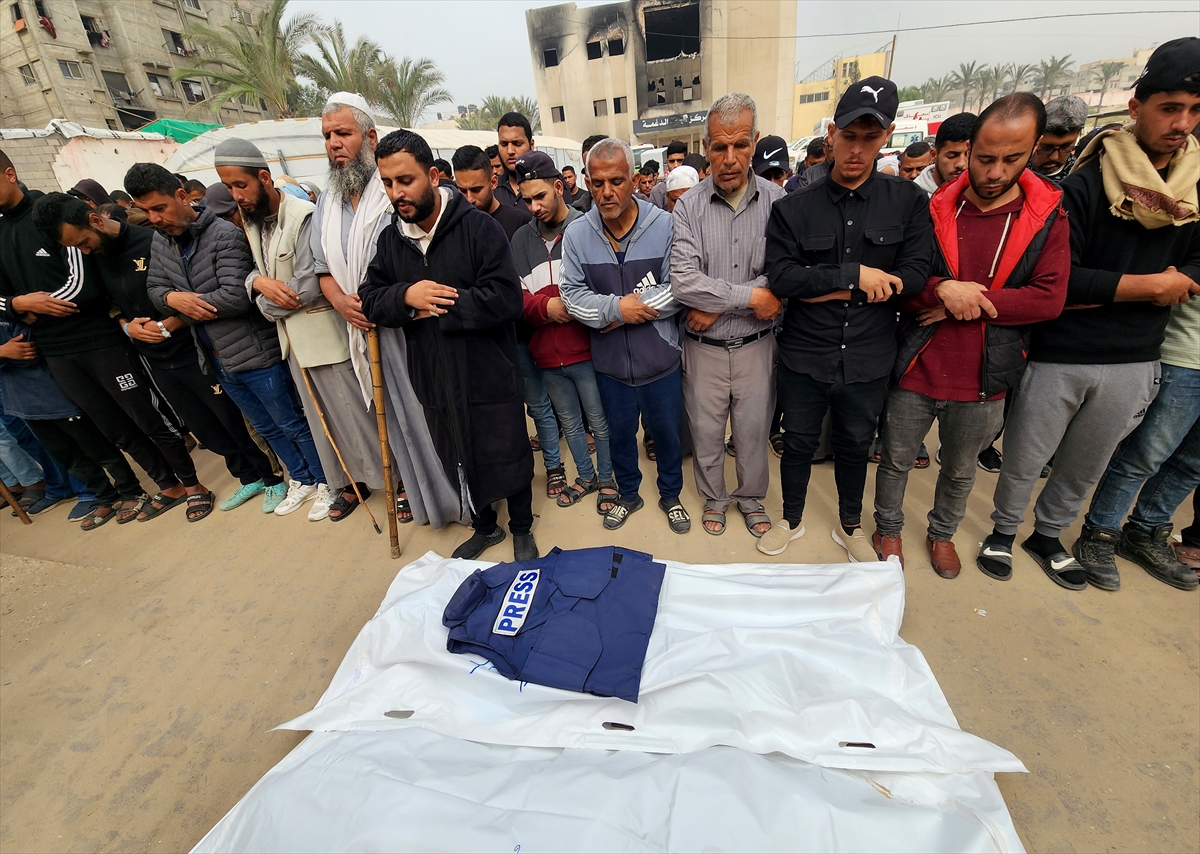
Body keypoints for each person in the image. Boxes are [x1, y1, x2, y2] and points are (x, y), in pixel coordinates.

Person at [980, 37, 1200, 593]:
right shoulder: (1083, 186)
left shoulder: (1192, 192)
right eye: (1170, 107)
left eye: (1194, 110)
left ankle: (1048, 536)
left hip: (1136, 356)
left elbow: (1193, 270)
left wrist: (1139, 287)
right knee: (1026, 454)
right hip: (1063, 350)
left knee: (1086, 463)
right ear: (1137, 107)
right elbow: (1063, 279)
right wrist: (1152, 286)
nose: (1181, 123)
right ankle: (1003, 531)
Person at [873, 94, 1069, 578]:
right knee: (896, 460)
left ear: (1033, 150)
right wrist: (941, 289)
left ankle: (942, 534)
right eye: (983, 158)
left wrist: (964, 302)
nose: (995, 172)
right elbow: (903, 282)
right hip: (918, 362)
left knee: (960, 469)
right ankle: (888, 529)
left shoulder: (1046, 215)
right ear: (967, 150)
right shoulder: (935, 207)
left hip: (987, 372)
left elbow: (1048, 299)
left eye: (1012, 159)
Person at [761, 77, 932, 559]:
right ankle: (791, 519)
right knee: (797, 441)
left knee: (856, 443)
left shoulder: (907, 201)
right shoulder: (794, 208)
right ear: (832, 134)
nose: (857, 150)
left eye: (870, 138)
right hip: (805, 353)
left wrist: (825, 285)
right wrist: (855, 276)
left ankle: (850, 525)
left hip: (868, 354)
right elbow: (783, 278)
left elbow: (915, 276)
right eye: (849, 136)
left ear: (887, 136)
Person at [32, 191, 283, 514]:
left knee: (234, 419)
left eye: (83, 242)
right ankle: (248, 477)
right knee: (204, 428)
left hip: (194, 346)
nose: (84, 250)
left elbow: (196, 295)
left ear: (95, 221)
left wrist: (168, 325)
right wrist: (126, 326)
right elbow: (110, 306)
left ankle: (272, 477)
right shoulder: (95, 258)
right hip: (156, 359)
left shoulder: (153, 242)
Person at [0, 152, 207, 524]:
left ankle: (193, 485)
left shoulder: (53, 214)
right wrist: (18, 304)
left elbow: (84, 286)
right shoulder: (2, 231)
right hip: (55, 352)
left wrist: (34, 308)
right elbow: (3, 298)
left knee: (146, 416)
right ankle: (167, 486)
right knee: (113, 427)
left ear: (10, 174)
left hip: (100, 341)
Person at [360, 130, 537, 561]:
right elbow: (370, 298)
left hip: (486, 372)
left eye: (406, 180)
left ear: (434, 176)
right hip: (434, 377)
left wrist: (438, 305)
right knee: (456, 453)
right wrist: (406, 296)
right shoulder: (391, 240)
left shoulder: (480, 228)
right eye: (388, 183)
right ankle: (485, 527)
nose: (396, 193)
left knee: (506, 450)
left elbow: (507, 299)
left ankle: (521, 528)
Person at [126, 161, 326, 518]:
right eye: (146, 212)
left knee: (291, 421)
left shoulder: (224, 235)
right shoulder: (161, 241)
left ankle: (325, 481)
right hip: (215, 356)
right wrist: (174, 299)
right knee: (265, 427)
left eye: (159, 208)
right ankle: (301, 478)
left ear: (182, 196)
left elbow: (236, 297)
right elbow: (154, 289)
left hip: (255, 350)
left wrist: (184, 308)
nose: (155, 219)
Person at [312, 92, 463, 528]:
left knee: (428, 413)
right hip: (363, 327)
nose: (334, 144)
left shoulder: (395, 193)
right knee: (394, 420)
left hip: (409, 327)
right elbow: (322, 268)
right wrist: (341, 302)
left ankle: (459, 500)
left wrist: (392, 300)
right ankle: (422, 498)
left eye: (343, 133)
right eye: (327, 135)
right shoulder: (327, 204)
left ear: (370, 137)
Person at [216, 136, 381, 524]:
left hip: (325, 337)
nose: (236, 195)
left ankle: (390, 484)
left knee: (354, 418)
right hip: (293, 344)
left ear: (264, 178)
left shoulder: (303, 215)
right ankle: (349, 485)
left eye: (240, 185)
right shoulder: (253, 222)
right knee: (324, 424)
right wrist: (257, 283)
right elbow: (252, 273)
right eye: (228, 187)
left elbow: (304, 287)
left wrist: (262, 301)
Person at [559, 137, 689, 534]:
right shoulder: (577, 234)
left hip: (661, 360)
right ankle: (628, 494)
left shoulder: (664, 225)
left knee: (667, 434)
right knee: (619, 436)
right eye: (597, 183)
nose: (606, 192)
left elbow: (678, 287)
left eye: (616, 181)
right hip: (611, 366)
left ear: (634, 180)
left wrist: (629, 310)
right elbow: (572, 296)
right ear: (587, 182)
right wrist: (618, 309)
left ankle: (671, 495)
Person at [672, 93, 784, 539]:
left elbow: (784, 276)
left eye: (740, 145)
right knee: (705, 430)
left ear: (755, 142)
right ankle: (715, 497)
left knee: (754, 429)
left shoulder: (779, 202)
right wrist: (751, 296)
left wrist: (717, 304)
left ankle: (750, 497)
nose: (730, 158)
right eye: (719, 146)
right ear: (706, 147)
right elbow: (684, 281)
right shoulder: (688, 206)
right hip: (704, 350)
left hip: (757, 345)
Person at [511, 151, 616, 514]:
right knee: (570, 423)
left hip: (587, 351)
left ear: (559, 187)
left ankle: (607, 479)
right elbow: (517, 298)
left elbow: (603, 288)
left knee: (598, 421)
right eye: (527, 200)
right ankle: (586, 477)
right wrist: (546, 308)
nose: (534, 207)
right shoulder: (521, 240)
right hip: (545, 354)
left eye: (540, 196)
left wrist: (571, 306)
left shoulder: (587, 229)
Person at [0, 318, 146, 528]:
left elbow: (26, 353)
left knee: (99, 449)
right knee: (68, 457)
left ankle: (131, 491)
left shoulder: (11, 314)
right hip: (24, 404)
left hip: (56, 394)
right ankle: (106, 496)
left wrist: (5, 353)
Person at [451, 145, 532, 240]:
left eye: (476, 190)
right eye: (463, 190)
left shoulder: (520, 222)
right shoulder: (455, 226)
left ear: (493, 182)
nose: (469, 199)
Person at [1031, 95, 1088, 185]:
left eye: (1065, 147)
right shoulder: (1013, 168)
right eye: (1047, 148)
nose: (1054, 157)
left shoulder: (1081, 180)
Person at [915, 113, 975, 196]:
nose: (961, 164)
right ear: (934, 155)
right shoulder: (914, 198)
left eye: (969, 155)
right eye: (952, 156)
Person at [494, 112, 535, 208]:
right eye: (504, 144)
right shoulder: (492, 189)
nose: (510, 151)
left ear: (531, 145)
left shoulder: (549, 185)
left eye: (517, 144)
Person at [571, 134, 608, 213]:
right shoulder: (578, 210)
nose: (593, 175)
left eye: (600, 167)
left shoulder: (636, 206)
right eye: (588, 168)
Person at [649, 140, 689, 209]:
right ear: (667, 162)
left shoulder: (695, 187)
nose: (676, 165)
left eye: (680, 161)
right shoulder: (658, 191)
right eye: (672, 161)